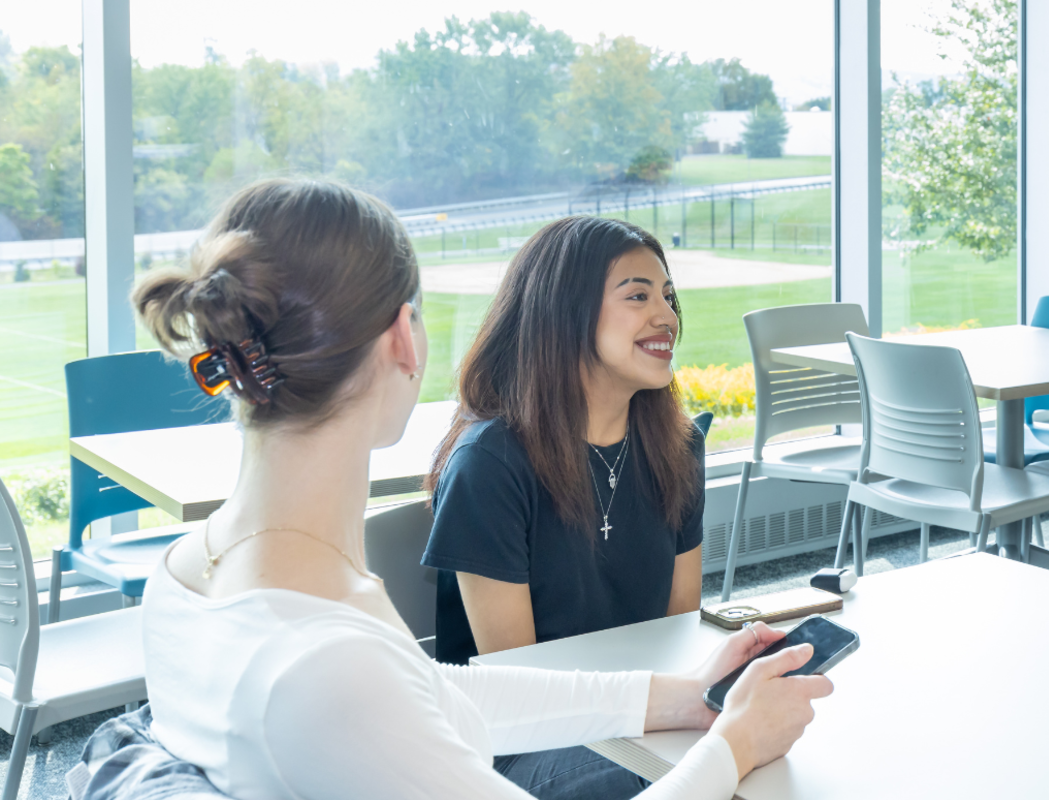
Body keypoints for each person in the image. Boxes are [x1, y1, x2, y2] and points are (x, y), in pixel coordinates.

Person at [135, 178, 832, 800]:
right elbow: (370, 689)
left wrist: (685, 697)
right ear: (404, 339)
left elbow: (431, 692)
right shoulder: (327, 660)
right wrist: (732, 748)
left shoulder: (182, 576)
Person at [422, 216, 705, 795]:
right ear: (563, 312)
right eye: (638, 296)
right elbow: (521, 687)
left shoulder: (679, 448)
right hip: (516, 741)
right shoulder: (491, 463)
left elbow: (681, 630)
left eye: (669, 297)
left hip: (646, 715)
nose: (667, 317)